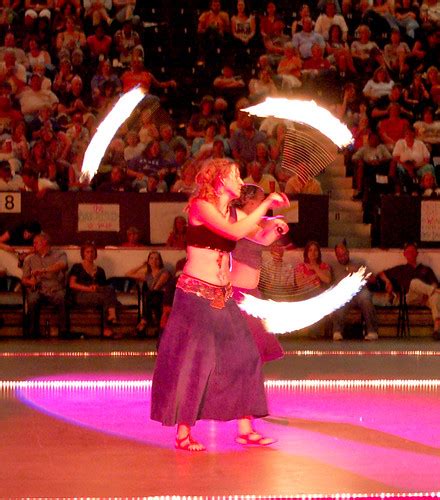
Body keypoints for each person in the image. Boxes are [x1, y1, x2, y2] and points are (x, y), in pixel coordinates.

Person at [150, 158, 289, 451]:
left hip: (221, 295)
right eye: (235, 176)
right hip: (194, 296)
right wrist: (266, 206)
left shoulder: (233, 211)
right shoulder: (201, 206)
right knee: (196, 362)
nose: (241, 181)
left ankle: (245, 428)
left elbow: (256, 237)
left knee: (247, 355)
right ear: (219, 181)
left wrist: (273, 229)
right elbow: (233, 233)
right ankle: (184, 432)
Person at [231, 184, 288, 362]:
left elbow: (264, 222)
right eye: (261, 200)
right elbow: (264, 239)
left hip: (249, 291)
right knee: (246, 346)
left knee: (253, 347)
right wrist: (279, 228)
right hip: (238, 291)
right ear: (249, 201)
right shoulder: (238, 218)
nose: (263, 203)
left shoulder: (251, 218)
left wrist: (276, 220)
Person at [378, 242, 440, 339]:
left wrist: (428, 293)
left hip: (425, 298)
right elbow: (381, 273)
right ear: (405, 255)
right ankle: (434, 292)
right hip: (410, 298)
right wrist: (387, 282)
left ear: (417, 253)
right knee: (414, 282)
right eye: (408, 252)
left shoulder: (425, 269)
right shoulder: (401, 269)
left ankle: (437, 329)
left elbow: (435, 283)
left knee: (436, 297)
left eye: (412, 252)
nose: (410, 254)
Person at [68, 242, 121, 338]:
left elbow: (103, 287)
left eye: (92, 252)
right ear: (83, 253)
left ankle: (110, 319)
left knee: (109, 290)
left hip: (96, 293)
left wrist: (95, 287)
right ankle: (108, 324)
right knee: (109, 300)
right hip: (81, 294)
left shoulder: (100, 270)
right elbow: (72, 284)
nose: (90, 254)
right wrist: (88, 288)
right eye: (87, 252)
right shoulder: (77, 267)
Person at [21, 233, 68, 338]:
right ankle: (32, 331)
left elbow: (62, 265)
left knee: (61, 297)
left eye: (35, 243)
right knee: (32, 299)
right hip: (38, 289)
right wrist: (30, 282)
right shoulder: (30, 259)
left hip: (54, 289)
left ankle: (64, 331)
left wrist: (43, 270)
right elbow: (24, 279)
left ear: (44, 242)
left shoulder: (59, 254)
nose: (33, 245)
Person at [331, 241, 379, 341]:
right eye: (339, 255)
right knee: (337, 300)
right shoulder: (333, 267)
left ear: (348, 253)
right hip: (343, 293)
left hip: (359, 291)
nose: (342, 257)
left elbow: (373, 279)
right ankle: (337, 331)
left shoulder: (359, 263)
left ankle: (372, 331)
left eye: (344, 254)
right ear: (336, 256)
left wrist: (358, 273)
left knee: (365, 297)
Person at [126, 250, 173, 337]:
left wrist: (150, 291)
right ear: (148, 261)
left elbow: (157, 287)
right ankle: (147, 321)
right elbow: (128, 274)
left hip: (163, 296)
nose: (154, 261)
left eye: (156, 259)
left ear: (160, 261)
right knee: (151, 297)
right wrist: (142, 265)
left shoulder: (165, 272)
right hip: (153, 298)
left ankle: (143, 322)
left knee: (150, 295)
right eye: (151, 258)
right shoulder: (147, 275)